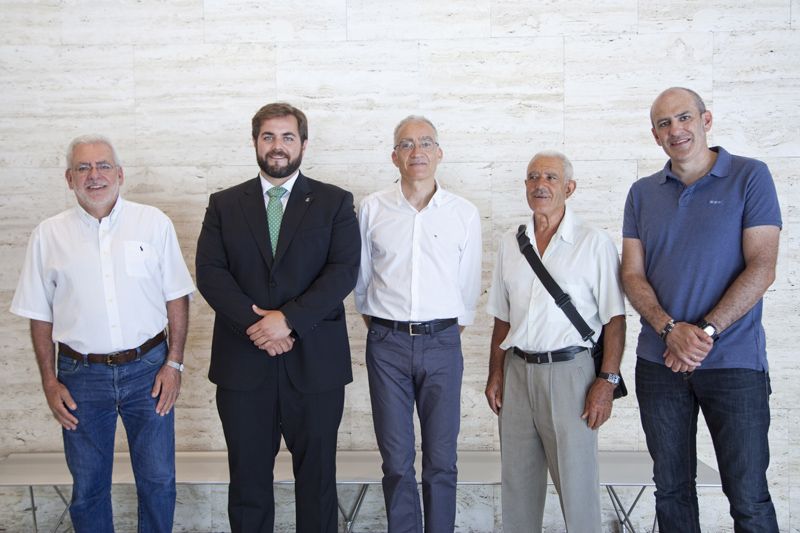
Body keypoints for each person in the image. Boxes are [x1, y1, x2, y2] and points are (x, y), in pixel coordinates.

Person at [10, 135, 194, 532]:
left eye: (103, 166)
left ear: (120, 174)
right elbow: (39, 316)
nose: (95, 175)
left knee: (159, 480)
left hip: (149, 372)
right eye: (83, 168)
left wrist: (174, 364)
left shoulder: (153, 223)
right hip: (80, 378)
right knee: (89, 487)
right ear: (69, 178)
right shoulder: (48, 235)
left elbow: (177, 296)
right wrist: (49, 382)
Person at [196, 102, 361, 533]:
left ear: (303, 144)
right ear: (255, 142)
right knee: (247, 483)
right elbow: (210, 273)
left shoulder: (335, 202)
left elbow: (342, 272)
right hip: (243, 365)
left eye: (288, 137)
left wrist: (287, 320)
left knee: (318, 483)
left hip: (315, 365)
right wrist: (259, 327)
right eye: (268, 136)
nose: (277, 146)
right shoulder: (223, 204)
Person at [622, 87, 781, 532]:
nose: (676, 129)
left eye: (684, 117)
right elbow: (631, 274)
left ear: (705, 120)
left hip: (734, 363)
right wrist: (669, 330)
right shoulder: (641, 193)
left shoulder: (750, 176)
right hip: (659, 363)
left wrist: (703, 334)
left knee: (748, 497)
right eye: (664, 123)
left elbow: (763, 266)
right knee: (671, 491)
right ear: (655, 135)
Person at [485, 150, 625, 532]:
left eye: (550, 177)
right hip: (517, 371)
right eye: (533, 177)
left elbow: (615, 320)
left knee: (577, 488)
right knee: (517, 486)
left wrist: (607, 382)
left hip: (571, 375)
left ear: (569, 188)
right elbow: (502, 317)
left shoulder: (593, 242)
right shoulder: (510, 243)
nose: (540, 185)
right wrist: (496, 373)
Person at [354, 115, 482, 532]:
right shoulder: (372, 208)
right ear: (394, 156)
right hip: (387, 344)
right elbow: (362, 281)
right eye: (406, 144)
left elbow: (468, 288)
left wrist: (441, 332)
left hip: (443, 343)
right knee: (396, 460)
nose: (417, 152)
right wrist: (385, 328)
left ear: (439, 152)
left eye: (425, 143)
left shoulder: (464, 213)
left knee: (442, 459)